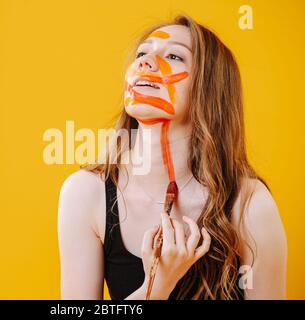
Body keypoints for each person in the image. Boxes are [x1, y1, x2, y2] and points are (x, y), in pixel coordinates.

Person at [58, 14, 287, 300]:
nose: (145, 62)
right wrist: (157, 286)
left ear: (209, 89)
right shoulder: (84, 193)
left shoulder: (250, 205)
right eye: (143, 53)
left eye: (175, 56)